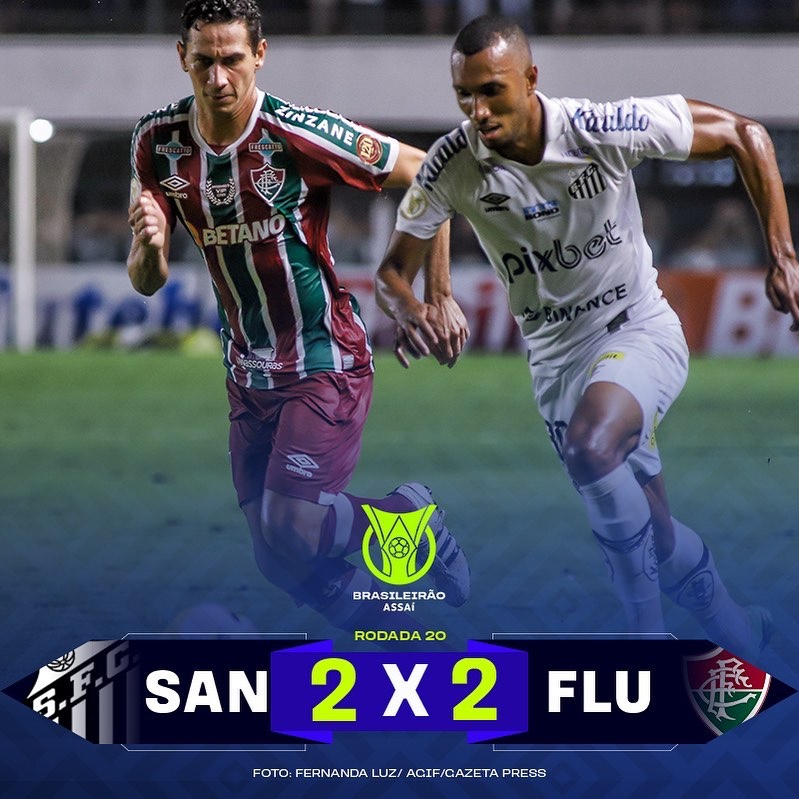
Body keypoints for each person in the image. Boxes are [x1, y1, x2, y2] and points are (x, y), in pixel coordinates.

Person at [376, 14, 799, 658]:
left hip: (637, 328)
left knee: (591, 448)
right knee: (656, 540)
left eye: (491, 91)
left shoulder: (600, 128)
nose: (478, 111)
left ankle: (643, 647)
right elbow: (390, 273)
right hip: (554, 366)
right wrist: (414, 309)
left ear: (531, 78)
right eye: (464, 95)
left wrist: (784, 256)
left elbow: (748, 134)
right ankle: (745, 635)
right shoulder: (451, 164)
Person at [127, 0, 469, 634]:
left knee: (289, 526)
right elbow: (147, 281)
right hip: (247, 373)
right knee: (275, 556)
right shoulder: (158, 143)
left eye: (232, 60)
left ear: (260, 55)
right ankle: (391, 633)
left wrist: (439, 292)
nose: (218, 78)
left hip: (322, 357)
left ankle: (407, 519)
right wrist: (148, 247)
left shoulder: (296, 134)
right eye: (203, 62)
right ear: (182, 58)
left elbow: (431, 173)